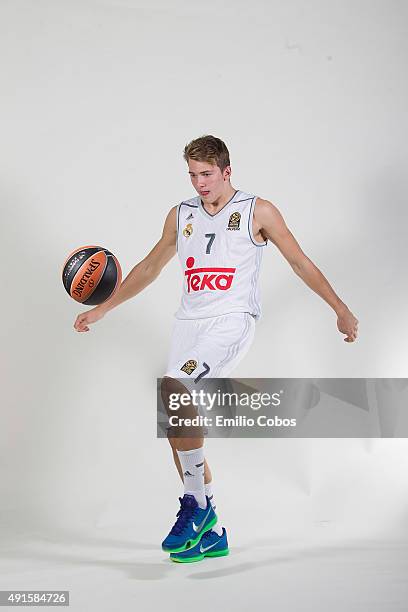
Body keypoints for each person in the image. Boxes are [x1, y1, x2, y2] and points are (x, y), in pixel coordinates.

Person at [74, 134, 359, 563]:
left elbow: (299, 261)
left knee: (177, 386)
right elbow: (150, 266)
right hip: (188, 325)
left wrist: (339, 308)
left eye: (206, 174)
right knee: (177, 426)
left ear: (227, 170)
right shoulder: (180, 214)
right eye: (192, 174)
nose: (199, 183)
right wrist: (104, 309)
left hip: (231, 321)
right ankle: (213, 530)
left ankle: (196, 507)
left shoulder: (256, 211)